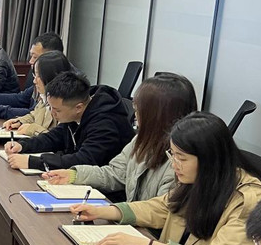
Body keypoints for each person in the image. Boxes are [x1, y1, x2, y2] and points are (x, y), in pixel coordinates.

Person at [70, 112, 261, 245]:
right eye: (172, 154)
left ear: (210, 159)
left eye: (182, 158)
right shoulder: (201, 178)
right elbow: (161, 207)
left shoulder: (250, 201)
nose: (174, 165)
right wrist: (105, 211)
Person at [44, 72, 198, 202]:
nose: (135, 117)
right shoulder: (141, 140)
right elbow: (114, 174)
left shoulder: (179, 162)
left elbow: (158, 212)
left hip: (141, 226)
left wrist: (117, 212)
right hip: (130, 220)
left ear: (156, 116)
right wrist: (74, 175)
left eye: (139, 111)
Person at [4, 71, 134, 170]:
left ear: (78, 108)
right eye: (51, 107)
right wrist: (23, 145)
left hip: (105, 189)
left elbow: (84, 160)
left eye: (57, 110)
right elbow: (56, 137)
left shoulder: (105, 123)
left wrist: (32, 162)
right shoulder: (77, 110)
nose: (52, 113)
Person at [0, 32, 66, 116]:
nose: (30, 61)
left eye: (35, 57)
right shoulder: (41, 79)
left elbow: (34, 115)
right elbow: (20, 99)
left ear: (51, 57)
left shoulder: (61, 89)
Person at [0, 51, 71, 134]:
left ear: (51, 76)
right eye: (34, 76)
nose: (34, 81)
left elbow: (57, 139)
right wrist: (20, 121)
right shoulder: (45, 96)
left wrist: (31, 129)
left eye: (38, 76)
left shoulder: (65, 105)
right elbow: (34, 115)